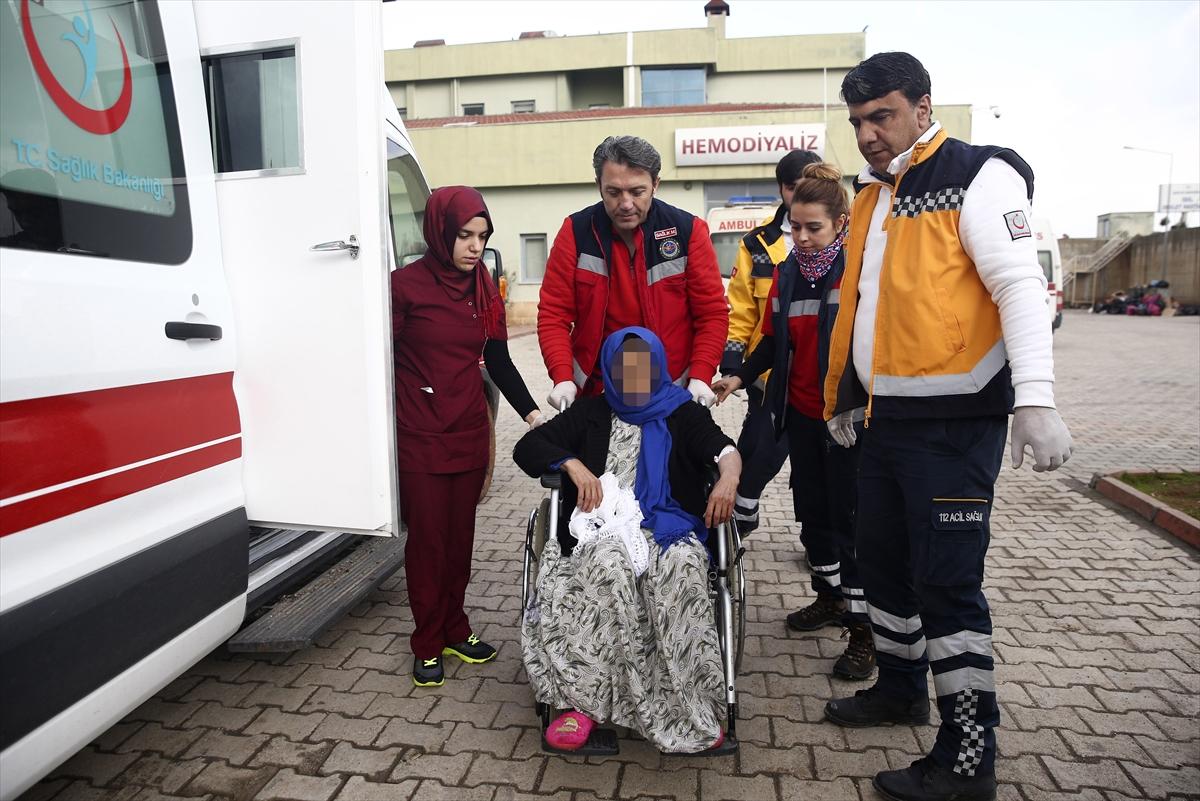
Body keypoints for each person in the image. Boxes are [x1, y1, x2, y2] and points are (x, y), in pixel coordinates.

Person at [820, 53, 1073, 801]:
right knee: (884, 566)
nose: (868, 133)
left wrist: (1036, 397)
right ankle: (900, 689)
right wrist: (845, 395)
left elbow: (1019, 288)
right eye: (859, 120)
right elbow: (871, 306)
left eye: (883, 116)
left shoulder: (977, 174)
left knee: (949, 586)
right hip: (886, 421)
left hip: (955, 426)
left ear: (924, 107)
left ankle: (969, 756)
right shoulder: (871, 195)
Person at [513, 327, 742, 754]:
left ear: (658, 368)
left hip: (668, 526)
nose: (634, 380)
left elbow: (723, 448)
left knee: (684, 567)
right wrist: (571, 464)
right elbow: (528, 447)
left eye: (643, 369)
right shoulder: (591, 412)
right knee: (606, 566)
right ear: (610, 371)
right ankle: (579, 705)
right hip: (603, 527)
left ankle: (689, 707)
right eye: (623, 369)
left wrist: (729, 477)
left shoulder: (681, 411)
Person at [712, 162, 874, 681]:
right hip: (800, 416)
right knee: (814, 516)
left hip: (845, 423)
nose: (801, 238)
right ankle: (829, 598)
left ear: (841, 224)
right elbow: (776, 342)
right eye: (796, 227)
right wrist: (738, 377)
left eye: (814, 228)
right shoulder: (784, 273)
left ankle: (864, 632)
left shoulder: (858, 272)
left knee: (851, 524)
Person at [391, 185, 544, 688]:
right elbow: (375, 356)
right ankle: (427, 640)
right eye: (464, 235)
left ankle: (456, 627)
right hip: (420, 430)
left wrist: (531, 414)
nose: (474, 246)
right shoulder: (403, 286)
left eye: (482, 236)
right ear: (440, 233)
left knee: (460, 541)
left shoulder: (482, 284)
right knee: (428, 542)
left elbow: (497, 358)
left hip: (469, 431)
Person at [537, 136, 728, 409]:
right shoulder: (575, 233)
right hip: (597, 392)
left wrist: (701, 374)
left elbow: (711, 313)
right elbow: (553, 314)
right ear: (598, 187)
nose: (626, 204)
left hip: (672, 392)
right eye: (614, 192)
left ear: (655, 185)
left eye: (637, 192)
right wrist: (562, 376)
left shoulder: (688, 232)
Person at [720, 149, 822, 533]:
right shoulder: (758, 243)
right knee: (760, 446)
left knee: (819, 461)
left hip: (823, 374)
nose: (799, 196)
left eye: (809, 187)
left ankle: (820, 540)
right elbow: (742, 308)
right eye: (793, 188)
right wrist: (734, 368)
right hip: (767, 373)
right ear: (782, 189)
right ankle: (741, 513)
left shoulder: (847, 236)